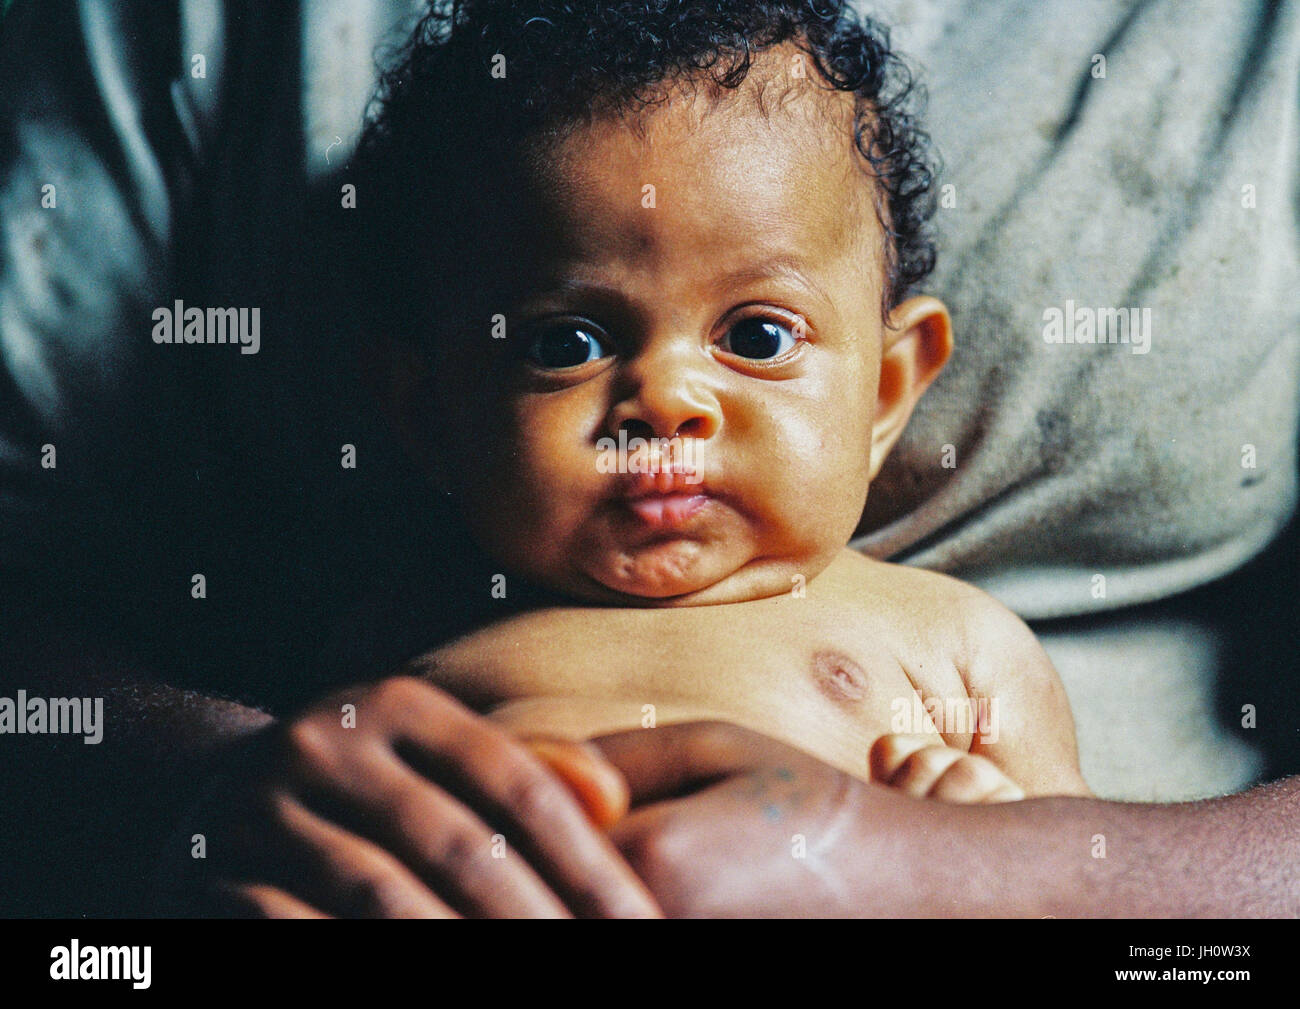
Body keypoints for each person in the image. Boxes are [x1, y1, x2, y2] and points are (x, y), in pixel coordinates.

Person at [1, 0, 1295, 918]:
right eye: (568, 339)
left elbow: (1070, 877)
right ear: (425, 411)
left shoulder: (951, 645)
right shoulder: (387, 629)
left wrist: (973, 831)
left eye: (758, 334)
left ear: (892, 384)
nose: (666, 397)